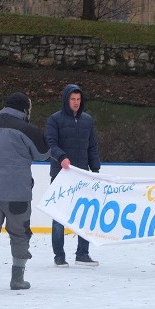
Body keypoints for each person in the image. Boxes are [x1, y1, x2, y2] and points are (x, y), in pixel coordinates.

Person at [0, 92, 56, 293]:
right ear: (25, 110)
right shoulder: (28, 129)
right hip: (18, 194)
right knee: (20, 234)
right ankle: (17, 279)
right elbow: (43, 155)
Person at [46, 83, 101, 268]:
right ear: (66, 100)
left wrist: (95, 170)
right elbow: (50, 144)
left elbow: (92, 147)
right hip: (61, 175)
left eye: (78, 99)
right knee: (59, 216)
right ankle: (59, 256)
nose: (76, 102)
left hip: (82, 176)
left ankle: (82, 254)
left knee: (84, 215)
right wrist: (61, 157)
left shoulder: (87, 120)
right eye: (72, 99)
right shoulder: (55, 120)